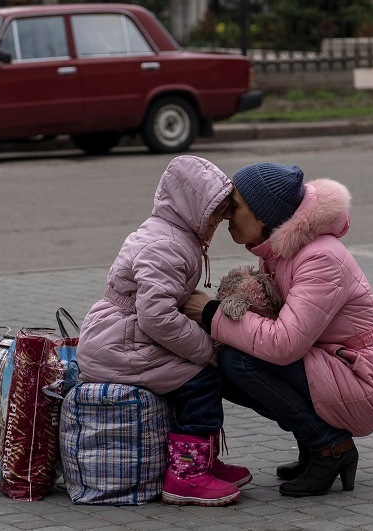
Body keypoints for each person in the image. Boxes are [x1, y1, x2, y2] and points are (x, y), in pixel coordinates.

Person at [186, 162, 373, 497]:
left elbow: (285, 344)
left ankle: (330, 447)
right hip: (334, 364)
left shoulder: (320, 258)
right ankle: (312, 440)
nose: (227, 215)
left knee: (239, 362)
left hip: (365, 379)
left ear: (264, 214)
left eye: (236, 206)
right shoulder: (281, 251)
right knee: (223, 366)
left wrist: (212, 314)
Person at [76, 155, 251, 507]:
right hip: (121, 343)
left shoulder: (170, 232)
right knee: (202, 380)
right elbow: (157, 317)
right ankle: (187, 476)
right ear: (193, 208)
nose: (218, 223)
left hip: (123, 336)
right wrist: (206, 348)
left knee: (194, 378)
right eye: (214, 215)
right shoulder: (167, 245)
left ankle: (202, 461)